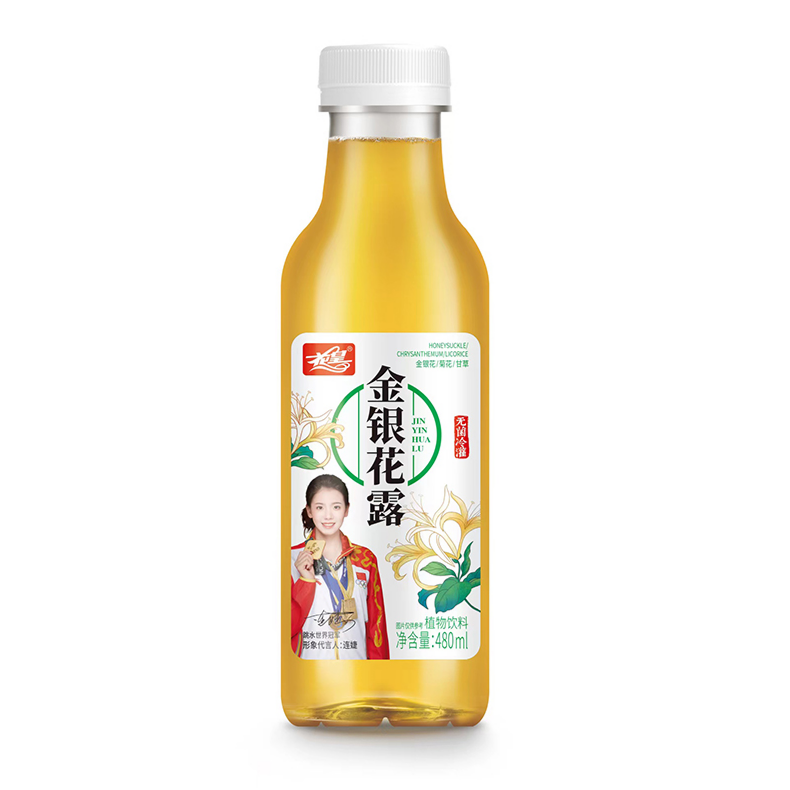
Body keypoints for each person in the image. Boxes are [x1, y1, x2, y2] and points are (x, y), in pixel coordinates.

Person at [291, 474, 389, 659]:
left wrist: (379, 673)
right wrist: (305, 582)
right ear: (309, 511)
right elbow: (286, 629)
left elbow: (377, 629)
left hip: (355, 673)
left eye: (336, 507)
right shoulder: (290, 559)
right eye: (320, 507)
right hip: (310, 673)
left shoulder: (366, 560)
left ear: (346, 510)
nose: (328, 515)